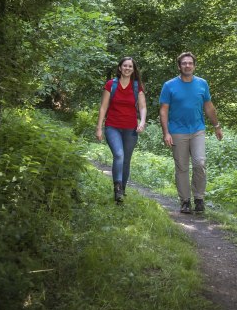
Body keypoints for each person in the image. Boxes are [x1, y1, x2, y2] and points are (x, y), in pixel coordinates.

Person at [159, 52, 223, 214]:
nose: (187, 65)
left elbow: (208, 106)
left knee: (200, 163)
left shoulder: (202, 84)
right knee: (182, 167)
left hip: (197, 130)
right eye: (184, 63)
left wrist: (216, 125)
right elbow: (163, 111)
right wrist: (166, 132)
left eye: (190, 63)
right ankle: (185, 201)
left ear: (194, 65)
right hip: (177, 132)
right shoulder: (169, 85)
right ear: (179, 66)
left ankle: (199, 198)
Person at [96, 57, 147, 204]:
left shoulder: (137, 86)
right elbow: (103, 107)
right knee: (119, 155)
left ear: (133, 69)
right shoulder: (111, 85)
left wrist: (142, 122)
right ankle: (117, 188)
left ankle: (122, 190)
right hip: (112, 126)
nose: (127, 68)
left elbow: (142, 107)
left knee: (126, 160)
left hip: (131, 129)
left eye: (130, 66)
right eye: (125, 66)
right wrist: (99, 127)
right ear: (120, 68)